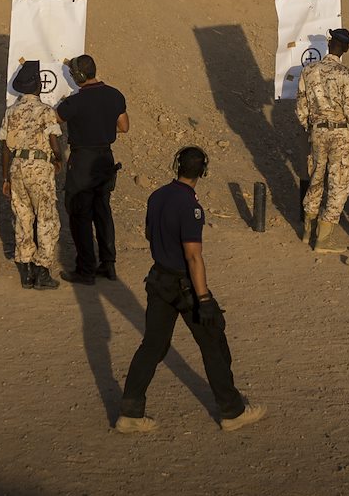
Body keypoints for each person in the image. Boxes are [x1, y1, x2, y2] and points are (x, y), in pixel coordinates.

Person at [113, 146, 265, 435]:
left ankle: (130, 413)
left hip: (158, 280)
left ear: (176, 166)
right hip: (184, 285)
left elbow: (149, 234)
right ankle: (232, 412)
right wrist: (204, 298)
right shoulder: (190, 207)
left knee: (152, 347)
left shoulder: (157, 195)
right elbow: (193, 256)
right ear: (203, 172)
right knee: (213, 342)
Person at [55, 54, 128, 285]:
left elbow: (54, 119)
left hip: (83, 161)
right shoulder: (115, 95)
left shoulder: (75, 102)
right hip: (105, 159)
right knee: (103, 211)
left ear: (78, 76)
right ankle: (108, 264)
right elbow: (124, 126)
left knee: (80, 214)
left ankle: (86, 270)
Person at [0, 61, 63, 289]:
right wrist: (58, 159)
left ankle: (26, 272)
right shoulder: (45, 111)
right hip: (39, 168)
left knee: (23, 217)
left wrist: (5, 178)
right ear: (38, 86)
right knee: (46, 218)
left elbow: (5, 147)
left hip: (16, 167)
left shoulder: (11, 112)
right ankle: (42, 271)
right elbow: (53, 140)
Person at [295, 28, 349, 254]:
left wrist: (310, 127)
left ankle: (307, 231)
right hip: (340, 132)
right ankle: (323, 239)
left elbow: (301, 107)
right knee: (338, 183)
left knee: (315, 178)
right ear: (346, 48)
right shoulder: (346, 74)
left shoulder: (309, 70)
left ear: (329, 44)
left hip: (317, 132)